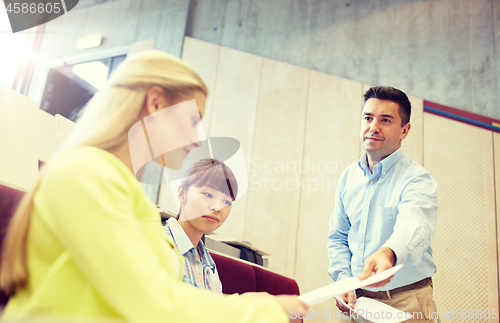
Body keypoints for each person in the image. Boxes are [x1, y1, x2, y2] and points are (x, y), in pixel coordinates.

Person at [0, 50, 307, 323]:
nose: (198, 139)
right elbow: (154, 305)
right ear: (156, 103)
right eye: (192, 120)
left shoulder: (126, 192)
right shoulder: (86, 173)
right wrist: (266, 313)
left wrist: (240, 303)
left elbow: (140, 294)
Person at [327, 86, 438, 323]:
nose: (373, 127)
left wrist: (388, 253)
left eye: (385, 120)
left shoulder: (417, 179)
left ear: (404, 130)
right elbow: (338, 238)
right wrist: (343, 278)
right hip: (356, 303)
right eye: (368, 118)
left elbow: (414, 225)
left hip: (406, 303)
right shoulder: (348, 178)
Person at [164, 158, 237, 293]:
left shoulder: (209, 265)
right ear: (182, 194)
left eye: (226, 202)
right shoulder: (159, 244)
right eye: (208, 194)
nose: (217, 207)